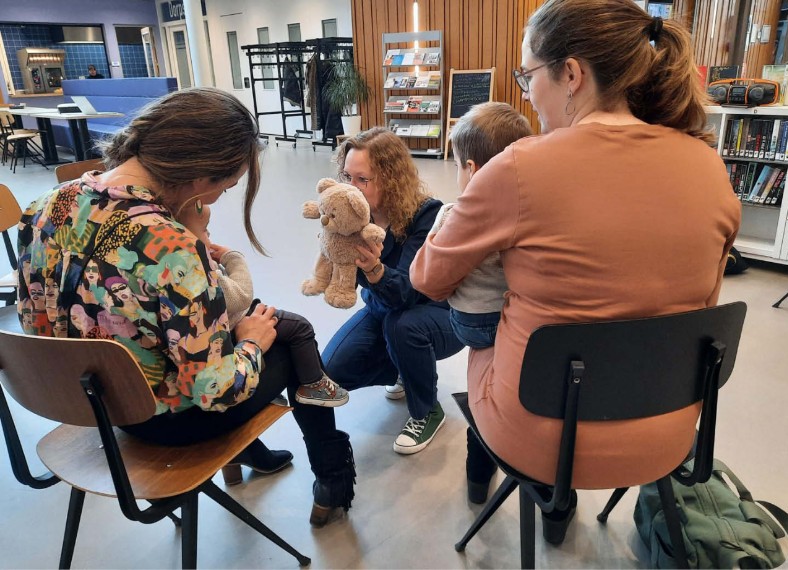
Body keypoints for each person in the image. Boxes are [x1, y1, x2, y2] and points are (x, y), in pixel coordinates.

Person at [411, 0, 741, 545]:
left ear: (571, 74)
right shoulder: (709, 165)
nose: (525, 92)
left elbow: (427, 279)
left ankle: (521, 488)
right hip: (670, 432)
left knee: (479, 329)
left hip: (541, 436)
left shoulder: (518, 166)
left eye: (528, 75)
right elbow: (704, 301)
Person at [16, 87, 355, 527]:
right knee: (286, 338)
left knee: (244, 321)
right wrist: (251, 344)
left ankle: (249, 459)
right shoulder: (171, 246)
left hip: (84, 403)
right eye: (225, 187)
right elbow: (216, 391)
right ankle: (333, 481)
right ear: (200, 177)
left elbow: (32, 320)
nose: (215, 201)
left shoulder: (46, 204)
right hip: (159, 420)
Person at [322, 127, 464, 455]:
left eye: (363, 179)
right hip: (383, 310)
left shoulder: (427, 214)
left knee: (403, 326)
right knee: (332, 372)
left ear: (389, 178)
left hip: (438, 314)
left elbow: (408, 294)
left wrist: (373, 269)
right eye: (347, 177)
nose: (351, 188)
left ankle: (427, 409)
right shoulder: (352, 218)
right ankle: (407, 367)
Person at [177, 200, 349, 407]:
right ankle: (313, 384)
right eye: (205, 231)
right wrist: (233, 259)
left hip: (223, 333)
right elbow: (241, 296)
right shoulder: (203, 270)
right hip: (235, 324)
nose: (210, 237)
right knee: (300, 328)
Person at [432, 102, 533, 350]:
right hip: (521, 318)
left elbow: (431, 277)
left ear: (472, 170)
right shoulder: (529, 209)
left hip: (472, 323)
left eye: (457, 166)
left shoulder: (452, 214)